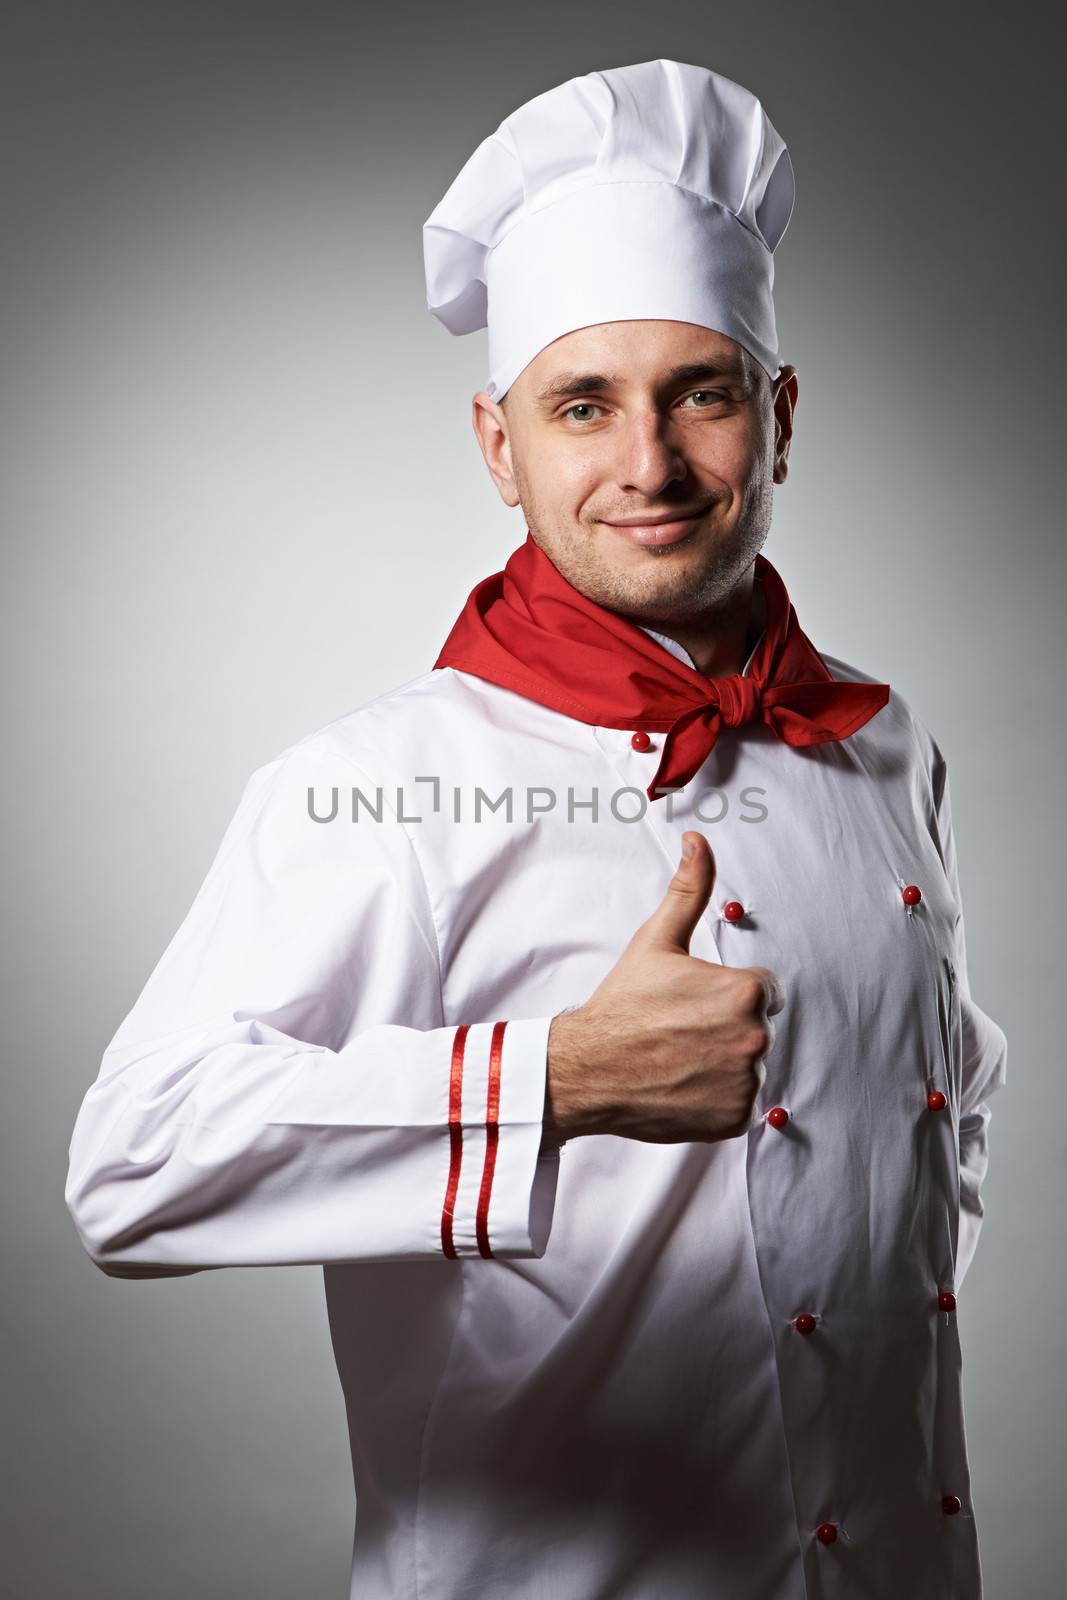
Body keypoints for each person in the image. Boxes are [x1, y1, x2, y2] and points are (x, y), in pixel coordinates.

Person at [65, 58, 1008, 1599]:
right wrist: (556, 1079)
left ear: (778, 417)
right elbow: (132, 1165)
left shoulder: (885, 744)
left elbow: (947, 1091)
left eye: (699, 392)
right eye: (585, 406)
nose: (648, 464)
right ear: (502, 448)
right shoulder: (376, 785)